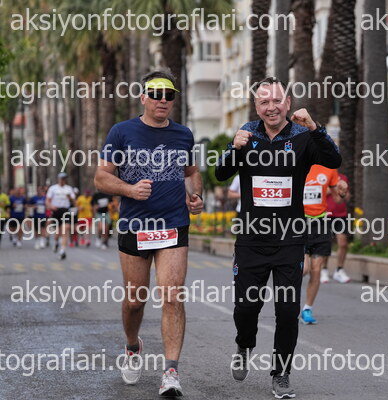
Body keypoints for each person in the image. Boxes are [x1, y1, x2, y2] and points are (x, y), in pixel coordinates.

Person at [215, 77, 341, 399]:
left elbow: (334, 160)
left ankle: (281, 373)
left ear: (287, 103)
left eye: (276, 101)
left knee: (287, 311)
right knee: (246, 308)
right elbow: (220, 173)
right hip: (251, 240)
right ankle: (244, 345)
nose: (271, 107)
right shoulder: (247, 134)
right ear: (256, 107)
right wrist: (234, 148)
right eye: (264, 102)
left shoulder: (302, 136)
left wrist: (316, 128)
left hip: (289, 241)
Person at [95, 70, 203, 397]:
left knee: (172, 295)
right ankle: (132, 346)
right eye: (155, 94)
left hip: (173, 224)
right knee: (135, 301)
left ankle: (171, 372)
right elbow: (101, 177)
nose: (162, 100)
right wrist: (129, 189)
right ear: (143, 97)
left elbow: (191, 172)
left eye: (168, 95)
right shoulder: (122, 132)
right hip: (135, 225)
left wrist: (196, 196)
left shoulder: (183, 134)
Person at [300, 165, 347, 325]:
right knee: (304, 269)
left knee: (316, 270)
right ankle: (288, 301)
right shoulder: (299, 161)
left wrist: (342, 191)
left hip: (320, 224)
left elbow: (337, 199)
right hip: (299, 223)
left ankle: (307, 308)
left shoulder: (329, 169)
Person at [323, 172, 352, 283]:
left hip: (341, 215)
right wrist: (334, 188)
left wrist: (345, 193)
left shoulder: (343, 177)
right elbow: (320, 193)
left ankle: (339, 270)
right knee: (326, 244)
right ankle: (324, 270)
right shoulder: (323, 176)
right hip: (326, 215)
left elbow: (346, 196)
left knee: (343, 243)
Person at [46, 173, 77, 259]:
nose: (63, 180)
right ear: (58, 179)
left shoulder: (69, 189)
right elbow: (47, 201)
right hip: (56, 211)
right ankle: (56, 242)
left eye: (64, 179)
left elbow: (74, 202)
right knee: (57, 233)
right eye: (61, 178)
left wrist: (70, 198)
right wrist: (51, 206)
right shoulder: (53, 188)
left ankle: (62, 250)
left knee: (65, 229)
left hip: (65, 211)